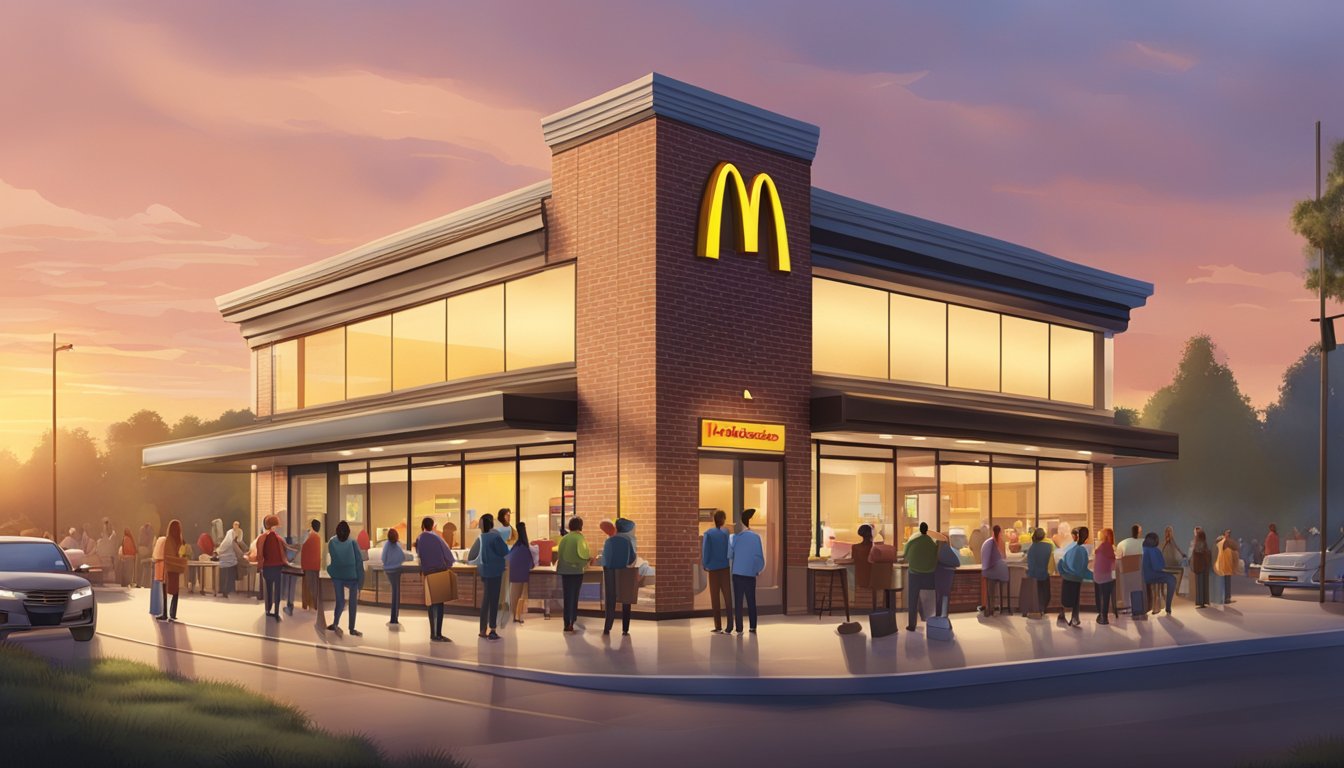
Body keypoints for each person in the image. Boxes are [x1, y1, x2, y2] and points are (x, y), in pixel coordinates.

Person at [415, 517, 455, 642]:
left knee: (430, 603)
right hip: (439, 572)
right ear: (433, 526)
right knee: (440, 603)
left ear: (423, 525)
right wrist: (448, 565)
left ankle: (432, 633)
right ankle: (438, 633)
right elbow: (448, 555)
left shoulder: (419, 539)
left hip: (428, 574)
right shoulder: (437, 538)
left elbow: (419, 556)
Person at [599, 517, 638, 636]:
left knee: (610, 600)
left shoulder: (609, 541)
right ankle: (625, 628)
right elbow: (632, 557)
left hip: (609, 571)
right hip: (624, 571)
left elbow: (604, 557)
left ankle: (607, 627)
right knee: (626, 600)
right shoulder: (628, 540)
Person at [730, 508, 765, 634]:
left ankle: (739, 628)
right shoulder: (756, 538)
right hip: (750, 574)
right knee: (751, 601)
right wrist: (757, 570)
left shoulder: (734, 538)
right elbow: (760, 557)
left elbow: (730, 555)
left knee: (738, 602)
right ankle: (753, 626)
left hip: (737, 574)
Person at [475, 513, 510, 640]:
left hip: (484, 571)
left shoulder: (481, 537)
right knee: (494, 601)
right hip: (495, 572)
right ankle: (493, 629)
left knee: (486, 600)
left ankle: (482, 629)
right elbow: (505, 551)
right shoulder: (495, 537)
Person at [326, 520, 363, 636]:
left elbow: (333, 559)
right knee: (353, 603)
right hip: (352, 576)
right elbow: (359, 562)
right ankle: (352, 629)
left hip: (337, 575)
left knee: (340, 601)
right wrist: (361, 582)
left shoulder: (331, 542)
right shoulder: (353, 542)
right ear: (349, 532)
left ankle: (335, 623)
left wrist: (330, 569)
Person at [701, 509, 734, 632]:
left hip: (713, 569)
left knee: (715, 598)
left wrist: (705, 563)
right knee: (728, 597)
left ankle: (718, 626)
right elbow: (730, 549)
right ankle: (730, 625)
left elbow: (706, 551)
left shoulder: (708, 533)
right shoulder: (726, 533)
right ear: (723, 520)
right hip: (725, 568)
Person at [557, 517, 590, 633]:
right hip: (577, 571)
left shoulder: (564, 539)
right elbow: (584, 554)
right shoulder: (580, 538)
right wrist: (587, 561)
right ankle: (572, 620)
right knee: (574, 596)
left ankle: (566, 622)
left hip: (564, 571)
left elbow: (560, 555)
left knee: (567, 596)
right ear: (580, 526)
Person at [903, 521, 938, 632]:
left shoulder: (913, 541)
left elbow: (905, 555)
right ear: (927, 530)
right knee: (933, 598)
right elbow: (936, 557)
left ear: (919, 530)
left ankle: (912, 625)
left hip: (914, 574)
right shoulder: (932, 543)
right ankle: (933, 622)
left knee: (913, 599)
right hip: (930, 575)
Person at [256, 515, 292, 621]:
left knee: (268, 589)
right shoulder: (278, 538)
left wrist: (260, 566)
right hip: (277, 567)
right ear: (274, 526)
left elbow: (260, 554)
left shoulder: (262, 538)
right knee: (277, 590)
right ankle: (276, 611)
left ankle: (268, 610)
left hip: (267, 567)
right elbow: (285, 551)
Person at [1058, 526, 1093, 627]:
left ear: (1075, 536)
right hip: (1077, 579)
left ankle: (1062, 615)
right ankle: (1075, 617)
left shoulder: (1069, 548)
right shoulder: (1083, 551)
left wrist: (1062, 572)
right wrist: (1093, 576)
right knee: (1076, 597)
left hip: (1067, 577)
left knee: (1065, 597)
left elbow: (1061, 562)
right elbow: (1083, 568)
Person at [157, 519, 185, 622]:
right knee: (175, 590)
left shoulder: (168, 539)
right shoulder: (180, 539)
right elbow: (181, 553)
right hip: (176, 567)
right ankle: (173, 613)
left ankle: (164, 613)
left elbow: (166, 554)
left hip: (169, 568)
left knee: (165, 589)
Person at [1142, 532, 1176, 615]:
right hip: (1152, 575)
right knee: (1172, 579)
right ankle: (1168, 607)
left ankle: (1161, 606)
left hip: (1143, 576)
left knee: (1167, 578)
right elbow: (1158, 567)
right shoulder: (1155, 550)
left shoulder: (1143, 548)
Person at [300, 520, 326, 628]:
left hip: (308, 564)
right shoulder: (317, 537)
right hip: (315, 565)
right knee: (313, 585)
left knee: (308, 585)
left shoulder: (309, 536)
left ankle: (309, 605)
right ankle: (313, 605)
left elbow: (303, 549)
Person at [507, 521, 534, 624]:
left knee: (515, 596)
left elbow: (509, 557)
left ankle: (514, 616)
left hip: (514, 574)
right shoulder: (524, 546)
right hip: (521, 574)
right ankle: (517, 616)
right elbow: (530, 562)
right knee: (520, 596)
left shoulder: (517, 546)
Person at [382, 528, 408, 626]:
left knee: (395, 593)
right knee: (396, 593)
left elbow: (383, 559)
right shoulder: (398, 545)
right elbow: (403, 557)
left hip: (389, 571)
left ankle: (393, 618)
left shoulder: (386, 545)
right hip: (397, 570)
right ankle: (394, 618)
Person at [980, 525, 1009, 615]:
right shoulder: (1001, 542)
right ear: (1000, 533)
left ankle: (990, 608)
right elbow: (1004, 557)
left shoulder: (988, 542)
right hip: (999, 571)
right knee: (999, 587)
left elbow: (986, 558)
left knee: (990, 590)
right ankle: (1001, 606)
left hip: (990, 571)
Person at [1025, 527, 1052, 618]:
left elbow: (1030, 564)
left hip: (1033, 575)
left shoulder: (1032, 548)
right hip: (1044, 574)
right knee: (1045, 593)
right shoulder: (1049, 546)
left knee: (1036, 593)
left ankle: (1036, 609)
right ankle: (1042, 609)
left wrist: (1029, 573)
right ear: (1043, 536)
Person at [1093, 528, 1116, 624]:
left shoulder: (1102, 546)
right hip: (1107, 576)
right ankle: (1103, 616)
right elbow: (1112, 563)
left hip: (1099, 576)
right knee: (1106, 596)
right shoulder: (1109, 546)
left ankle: (1102, 615)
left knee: (1100, 596)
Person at [217, 521, 244, 598]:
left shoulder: (237, 534)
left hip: (230, 560)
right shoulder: (230, 534)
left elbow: (239, 543)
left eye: (238, 525)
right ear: (233, 525)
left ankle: (227, 590)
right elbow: (233, 546)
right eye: (235, 524)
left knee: (228, 576)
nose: (237, 526)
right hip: (226, 560)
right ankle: (225, 591)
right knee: (226, 576)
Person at [1191, 527, 1213, 608]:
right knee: (1204, 584)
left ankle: (1200, 602)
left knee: (1200, 584)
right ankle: (1203, 602)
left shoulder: (1198, 543)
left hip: (1199, 567)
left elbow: (1196, 555)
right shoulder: (1204, 543)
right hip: (1204, 566)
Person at [1216, 530, 1239, 604]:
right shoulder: (1221, 545)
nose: (1228, 534)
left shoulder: (1229, 548)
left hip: (1226, 569)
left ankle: (1226, 598)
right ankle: (1224, 598)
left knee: (1226, 583)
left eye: (1229, 533)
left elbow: (1235, 549)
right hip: (1222, 568)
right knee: (1223, 583)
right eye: (1227, 533)